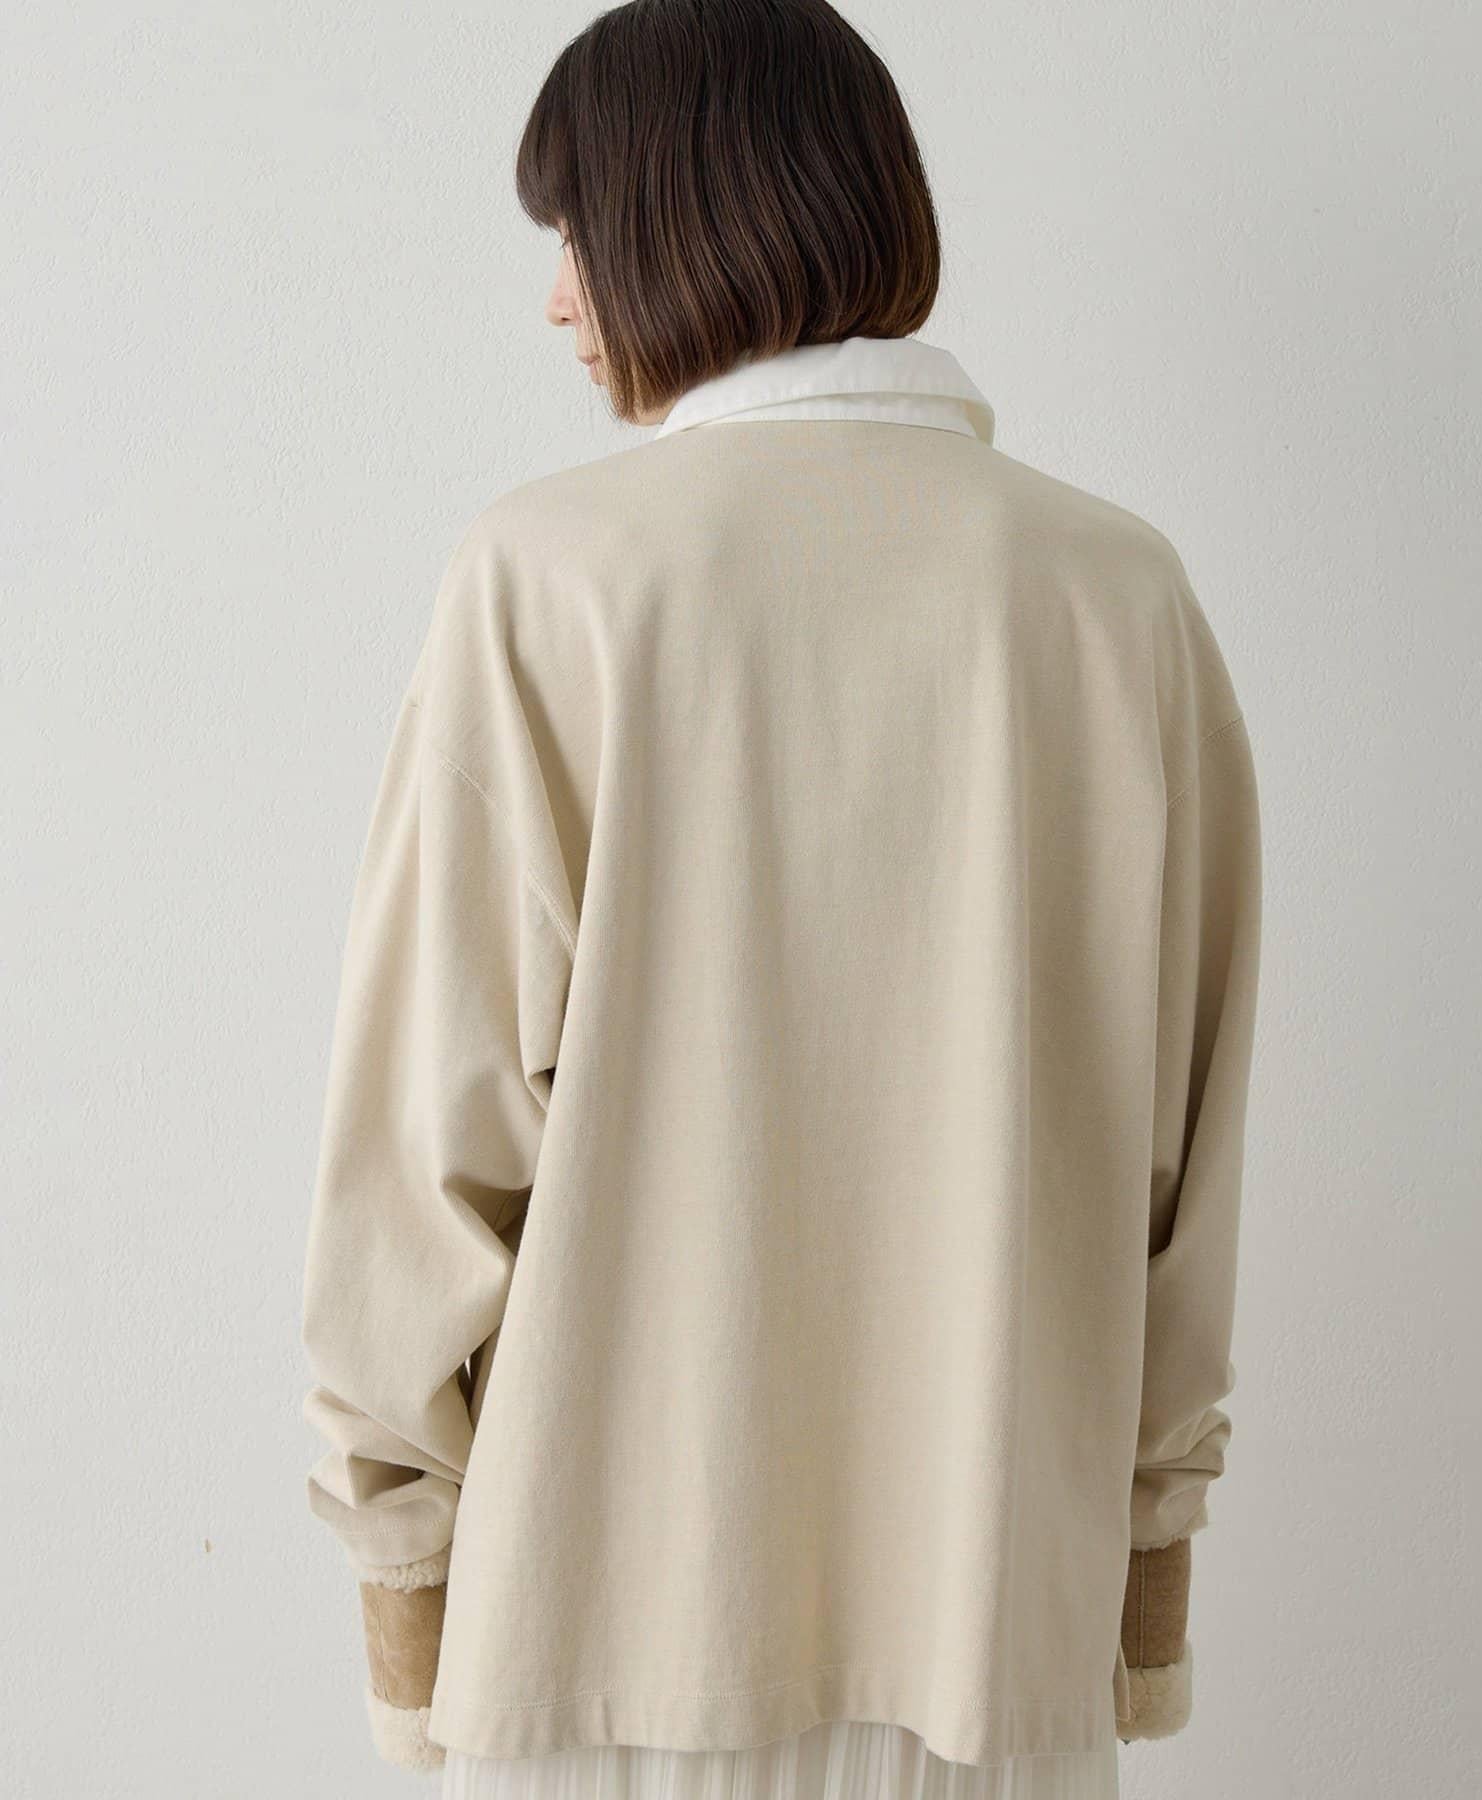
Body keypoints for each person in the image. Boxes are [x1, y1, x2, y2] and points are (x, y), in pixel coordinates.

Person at [298, 2, 1262, 1796]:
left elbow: (424, 1158)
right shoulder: (1115, 598)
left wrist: (404, 1585)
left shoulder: (555, 580)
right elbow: (1177, 1180)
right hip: (998, 1648)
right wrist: (1140, 1589)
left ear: (679, 218)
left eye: (574, 233)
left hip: (599, 1658)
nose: (559, 302)